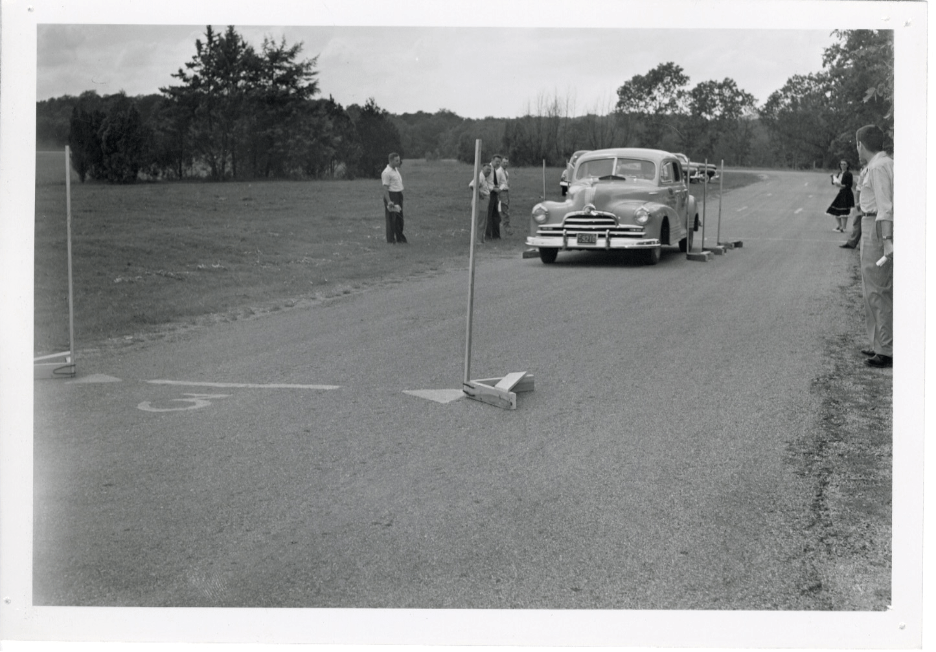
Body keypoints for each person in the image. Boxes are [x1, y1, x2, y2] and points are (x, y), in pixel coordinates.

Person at [855, 125, 893, 368]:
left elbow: (885, 206)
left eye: (856, 144)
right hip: (870, 224)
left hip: (876, 228)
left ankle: (885, 349)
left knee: (877, 289)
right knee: (872, 288)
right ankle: (877, 342)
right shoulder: (880, 164)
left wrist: (887, 241)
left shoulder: (879, 167)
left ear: (862, 144)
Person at [381, 152, 407, 244]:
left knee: (400, 219)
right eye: (396, 161)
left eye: (399, 160)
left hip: (398, 195)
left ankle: (400, 238)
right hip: (392, 196)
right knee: (392, 219)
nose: (399, 162)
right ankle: (391, 240)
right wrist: (389, 202)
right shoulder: (386, 172)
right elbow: (385, 190)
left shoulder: (395, 169)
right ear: (391, 161)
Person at [840, 165, 867, 249]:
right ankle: (854, 241)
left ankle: (854, 242)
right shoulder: (864, 169)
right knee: (857, 221)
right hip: (861, 199)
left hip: (865, 200)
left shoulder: (869, 169)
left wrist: (859, 202)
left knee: (860, 221)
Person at [825, 160, 855, 232]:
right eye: (841, 164)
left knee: (844, 211)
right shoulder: (840, 173)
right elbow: (834, 182)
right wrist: (832, 177)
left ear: (847, 165)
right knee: (835, 209)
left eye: (844, 164)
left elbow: (849, 185)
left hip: (847, 193)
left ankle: (843, 227)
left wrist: (841, 185)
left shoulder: (849, 174)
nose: (843, 165)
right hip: (841, 192)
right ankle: (839, 226)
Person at [469, 163, 495, 241]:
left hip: (484, 201)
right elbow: (472, 185)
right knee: (480, 221)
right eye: (487, 170)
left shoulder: (484, 177)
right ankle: (477, 240)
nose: (488, 172)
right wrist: (480, 194)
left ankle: (480, 239)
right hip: (480, 201)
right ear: (482, 169)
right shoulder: (480, 176)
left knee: (483, 220)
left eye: (490, 170)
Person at [486, 155, 503, 240]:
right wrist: (494, 189)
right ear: (492, 160)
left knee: (496, 215)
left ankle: (496, 235)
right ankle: (488, 236)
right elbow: (486, 183)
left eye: (499, 162)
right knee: (488, 215)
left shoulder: (494, 170)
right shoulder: (488, 169)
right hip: (489, 194)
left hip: (494, 194)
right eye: (496, 161)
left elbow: (492, 182)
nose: (498, 163)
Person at [497, 158, 512, 236]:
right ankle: (507, 228)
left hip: (506, 191)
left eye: (507, 163)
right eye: (504, 162)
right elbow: (497, 183)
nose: (505, 164)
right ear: (501, 163)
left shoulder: (506, 172)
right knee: (504, 210)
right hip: (502, 192)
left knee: (506, 208)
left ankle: (507, 226)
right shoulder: (499, 172)